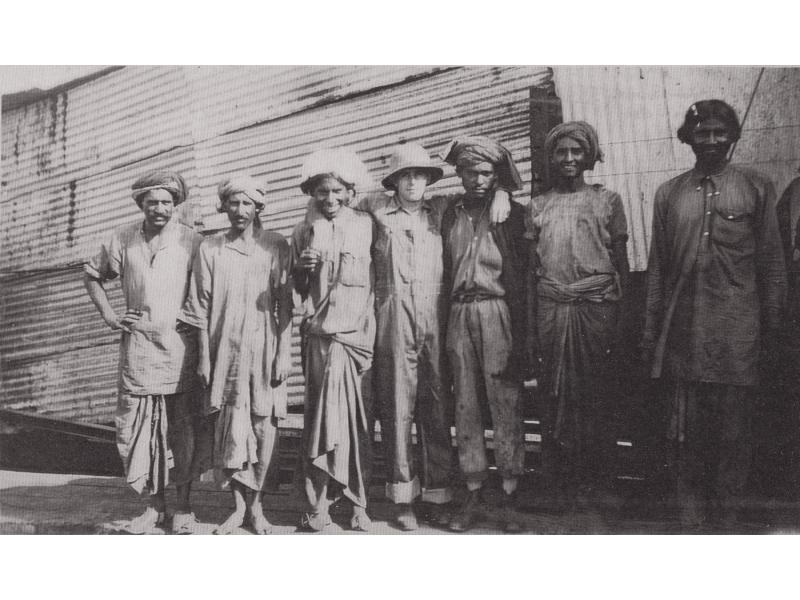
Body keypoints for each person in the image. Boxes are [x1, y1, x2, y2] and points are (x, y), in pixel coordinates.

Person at [641, 100, 786, 529]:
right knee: (685, 440)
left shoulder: (757, 187)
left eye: (719, 132)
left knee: (733, 438)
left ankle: (727, 529)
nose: (710, 141)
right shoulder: (669, 193)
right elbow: (657, 270)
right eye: (701, 132)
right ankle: (692, 527)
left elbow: (772, 267)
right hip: (683, 339)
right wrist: (651, 334)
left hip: (738, 339)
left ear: (733, 136)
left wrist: (772, 334)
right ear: (688, 139)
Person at [83, 170, 209, 534]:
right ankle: (153, 508)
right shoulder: (123, 238)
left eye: (166, 202)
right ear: (141, 204)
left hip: (180, 349)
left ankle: (183, 507)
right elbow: (92, 275)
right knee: (142, 429)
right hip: (139, 347)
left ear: (176, 204)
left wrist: (199, 336)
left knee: (182, 428)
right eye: (152, 202)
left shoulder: (193, 241)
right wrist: (111, 317)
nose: (159, 208)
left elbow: (206, 293)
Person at [180, 175, 293, 535]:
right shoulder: (211, 248)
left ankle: (257, 510)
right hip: (224, 349)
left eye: (247, 204)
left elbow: (285, 305)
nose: (240, 211)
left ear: (258, 207)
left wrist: (284, 353)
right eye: (234, 203)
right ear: (224, 207)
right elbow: (200, 306)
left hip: (264, 348)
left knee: (262, 426)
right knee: (230, 427)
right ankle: (237, 509)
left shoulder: (275, 245)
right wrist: (203, 357)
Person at [526, 121, 629, 511]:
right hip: (553, 310)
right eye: (561, 152)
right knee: (553, 397)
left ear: (588, 156)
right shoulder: (538, 205)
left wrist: (621, 320)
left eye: (576, 152)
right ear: (551, 157)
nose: (569, 159)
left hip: (596, 312)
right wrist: (533, 327)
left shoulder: (608, 201)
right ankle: (559, 483)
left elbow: (620, 263)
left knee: (597, 396)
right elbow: (532, 272)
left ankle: (599, 483)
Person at [439, 135, 528, 532]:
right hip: (459, 312)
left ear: (496, 175)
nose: (477, 179)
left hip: (497, 310)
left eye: (486, 172)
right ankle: (473, 489)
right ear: (458, 173)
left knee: (505, 398)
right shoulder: (448, 213)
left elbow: (524, 275)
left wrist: (524, 338)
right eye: (470, 171)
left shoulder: (511, 214)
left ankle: (510, 491)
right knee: (467, 404)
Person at [291, 148, 376, 532]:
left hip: (357, 339)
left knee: (357, 424)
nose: (329, 199)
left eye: (336, 191)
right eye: (321, 192)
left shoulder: (367, 225)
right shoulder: (302, 231)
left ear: (348, 192)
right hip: (321, 340)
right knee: (320, 423)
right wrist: (301, 272)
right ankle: (317, 505)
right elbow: (294, 293)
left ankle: (359, 503)